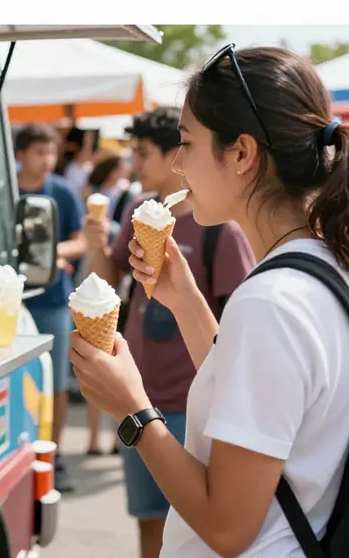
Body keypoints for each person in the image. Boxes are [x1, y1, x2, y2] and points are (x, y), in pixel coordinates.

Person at [71, 46, 349, 557]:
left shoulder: (271, 302)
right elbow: (260, 394)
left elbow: (227, 526)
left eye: (186, 143)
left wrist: (133, 410)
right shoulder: (323, 266)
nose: (178, 164)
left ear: (241, 153)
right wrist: (187, 304)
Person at [82, 106, 255, 558]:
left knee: (195, 532)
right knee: (150, 526)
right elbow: (109, 283)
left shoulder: (220, 229)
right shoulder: (138, 212)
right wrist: (97, 244)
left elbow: (239, 322)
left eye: (143, 153)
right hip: (139, 390)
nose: (134, 163)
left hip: (192, 401)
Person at [16, 123, 87, 492]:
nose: (47, 159)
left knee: (55, 383)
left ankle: (53, 458)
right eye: (39, 152)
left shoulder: (63, 191)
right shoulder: (5, 189)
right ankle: (19, 454)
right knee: (18, 381)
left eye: (51, 152)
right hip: (13, 300)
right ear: (20, 155)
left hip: (55, 300)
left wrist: (50, 254)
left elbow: (81, 241)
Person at [80, 149, 134, 455]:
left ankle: (112, 438)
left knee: (108, 370)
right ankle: (98, 438)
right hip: (103, 289)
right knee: (99, 369)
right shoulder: (128, 198)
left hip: (115, 293)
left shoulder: (129, 196)